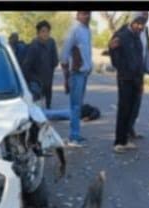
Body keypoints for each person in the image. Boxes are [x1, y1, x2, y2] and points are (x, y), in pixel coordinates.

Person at [108, 13, 147, 153]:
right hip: (125, 79)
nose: (140, 26)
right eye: (138, 23)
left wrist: (141, 82)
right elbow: (114, 55)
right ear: (132, 22)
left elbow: (140, 62)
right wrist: (123, 70)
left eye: (143, 24)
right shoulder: (122, 36)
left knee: (131, 111)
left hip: (136, 79)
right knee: (123, 110)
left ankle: (125, 140)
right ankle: (118, 142)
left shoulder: (137, 39)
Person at [60, 11, 93, 147]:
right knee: (75, 106)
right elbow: (64, 53)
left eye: (88, 13)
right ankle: (73, 138)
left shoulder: (87, 30)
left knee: (78, 105)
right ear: (78, 15)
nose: (87, 16)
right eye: (84, 14)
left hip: (84, 73)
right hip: (76, 73)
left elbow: (87, 52)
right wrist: (66, 73)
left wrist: (89, 67)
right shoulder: (74, 30)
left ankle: (76, 135)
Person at [21, 20, 59, 109]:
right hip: (36, 82)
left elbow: (55, 61)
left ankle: (48, 107)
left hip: (48, 79)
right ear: (38, 33)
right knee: (37, 107)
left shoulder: (51, 42)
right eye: (43, 31)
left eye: (47, 31)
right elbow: (26, 66)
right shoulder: (33, 46)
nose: (45, 34)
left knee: (48, 105)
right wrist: (32, 79)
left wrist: (51, 67)